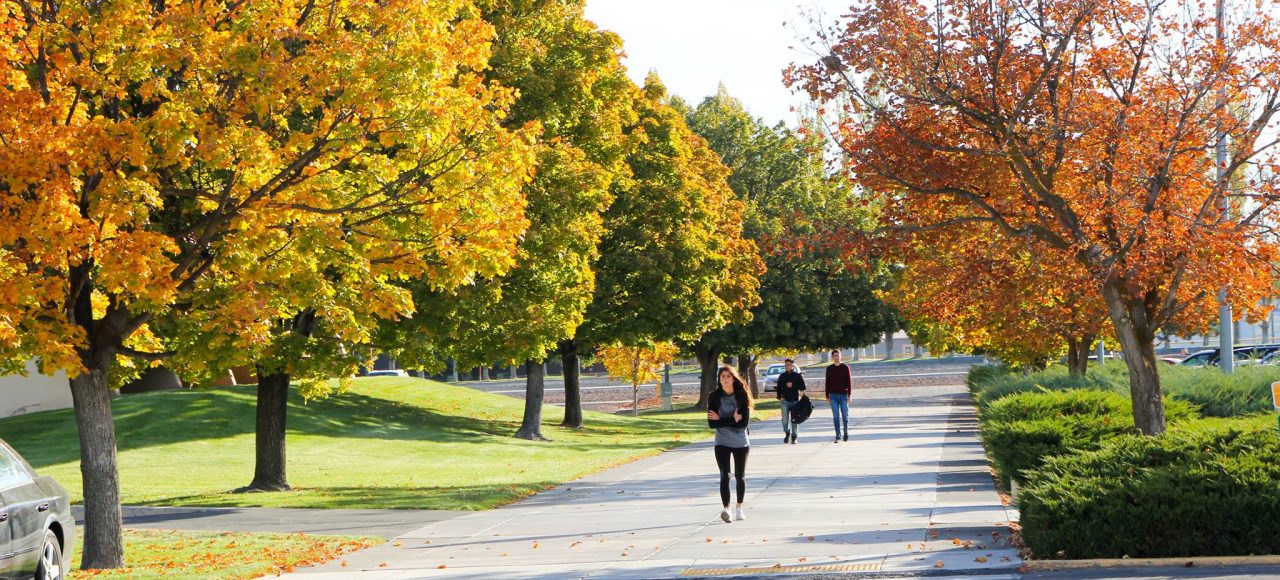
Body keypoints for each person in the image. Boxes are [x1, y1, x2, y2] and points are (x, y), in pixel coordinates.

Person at [706, 365, 753, 523]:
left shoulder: (742, 396)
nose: (725, 379)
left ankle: (739, 507)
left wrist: (721, 420)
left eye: (728, 376)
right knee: (724, 475)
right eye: (722, 377)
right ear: (719, 379)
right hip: (722, 442)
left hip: (740, 442)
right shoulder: (714, 397)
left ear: (733, 378)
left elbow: (743, 424)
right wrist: (732, 419)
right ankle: (727, 509)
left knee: (740, 476)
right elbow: (712, 424)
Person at [824, 349, 852, 442]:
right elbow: (827, 382)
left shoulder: (845, 367)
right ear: (832, 357)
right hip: (833, 396)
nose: (836, 357)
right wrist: (827, 396)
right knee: (836, 416)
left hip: (843, 395)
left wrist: (849, 395)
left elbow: (849, 382)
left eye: (838, 355)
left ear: (840, 356)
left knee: (845, 415)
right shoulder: (829, 368)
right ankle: (838, 435)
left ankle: (846, 431)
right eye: (834, 355)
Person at [775, 358, 805, 444]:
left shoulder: (797, 376)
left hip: (795, 400)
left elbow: (802, 387)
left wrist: (797, 389)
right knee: (784, 420)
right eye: (786, 365)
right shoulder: (782, 376)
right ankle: (787, 432)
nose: (787, 366)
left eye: (789, 364)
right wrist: (779, 397)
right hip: (785, 401)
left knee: (794, 420)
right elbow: (778, 388)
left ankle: (794, 437)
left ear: (792, 365)